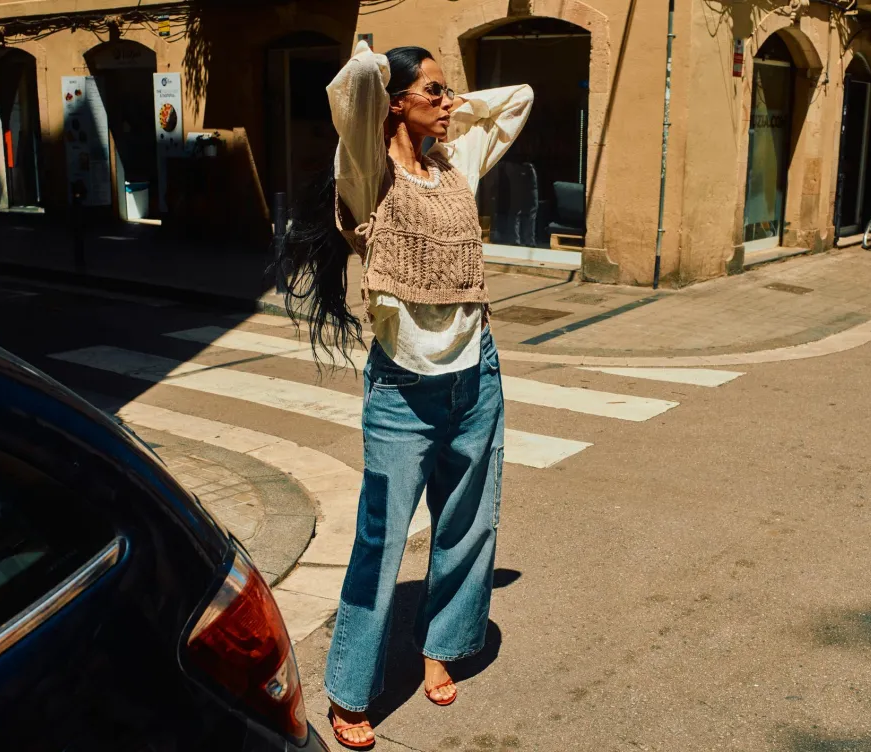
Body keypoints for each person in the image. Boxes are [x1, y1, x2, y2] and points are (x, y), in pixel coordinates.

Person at [277, 40, 532, 749]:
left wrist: (446, 107)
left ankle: (439, 648)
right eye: (434, 92)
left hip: (476, 375)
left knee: (468, 524)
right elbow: (355, 83)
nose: (449, 104)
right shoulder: (366, 174)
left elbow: (519, 100)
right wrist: (384, 72)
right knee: (381, 539)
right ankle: (351, 688)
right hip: (402, 390)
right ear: (393, 105)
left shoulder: (456, 164)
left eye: (450, 94)